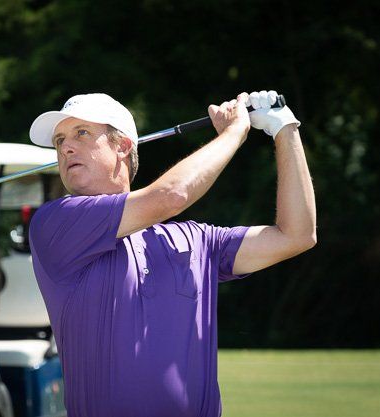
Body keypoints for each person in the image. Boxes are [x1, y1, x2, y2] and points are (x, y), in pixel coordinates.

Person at [27, 91, 316, 417]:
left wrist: (284, 128)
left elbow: (296, 235)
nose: (65, 147)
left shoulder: (197, 239)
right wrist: (234, 132)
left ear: (123, 146)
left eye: (81, 133)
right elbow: (172, 196)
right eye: (60, 140)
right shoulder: (55, 222)